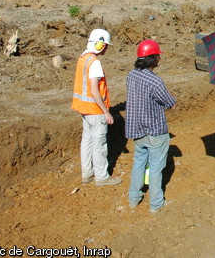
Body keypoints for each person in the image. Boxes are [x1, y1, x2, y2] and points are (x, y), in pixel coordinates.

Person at [125, 39, 176, 213]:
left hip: (137, 130)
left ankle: (134, 198)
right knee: (156, 167)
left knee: (138, 163)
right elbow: (170, 103)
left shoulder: (131, 75)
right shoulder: (155, 81)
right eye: (158, 57)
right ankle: (156, 204)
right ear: (153, 59)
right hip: (155, 131)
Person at [71, 28, 122, 186]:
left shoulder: (83, 58)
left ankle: (87, 174)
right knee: (99, 143)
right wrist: (106, 112)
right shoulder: (95, 63)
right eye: (105, 45)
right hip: (95, 110)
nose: (106, 48)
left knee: (86, 141)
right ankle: (101, 177)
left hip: (84, 109)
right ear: (99, 44)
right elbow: (94, 90)